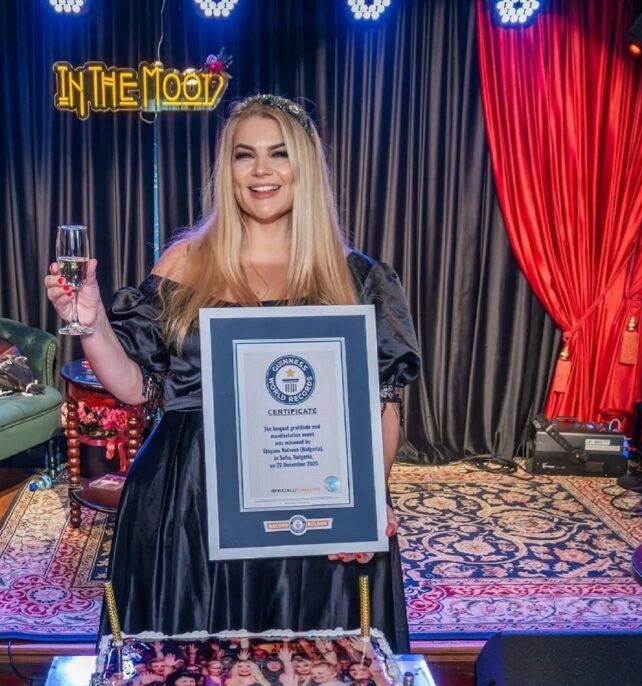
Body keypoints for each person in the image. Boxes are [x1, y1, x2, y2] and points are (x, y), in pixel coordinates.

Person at [44, 94, 420, 650]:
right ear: (228, 169)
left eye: (278, 153)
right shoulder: (183, 264)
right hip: (189, 503)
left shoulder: (357, 278)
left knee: (319, 679)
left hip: (310, 503)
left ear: (305, 166)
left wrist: (362, 507)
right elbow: (136, 388)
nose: (261, 170)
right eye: (245, 155)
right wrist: (93, 321)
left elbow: (381, 407)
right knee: (188, 683)